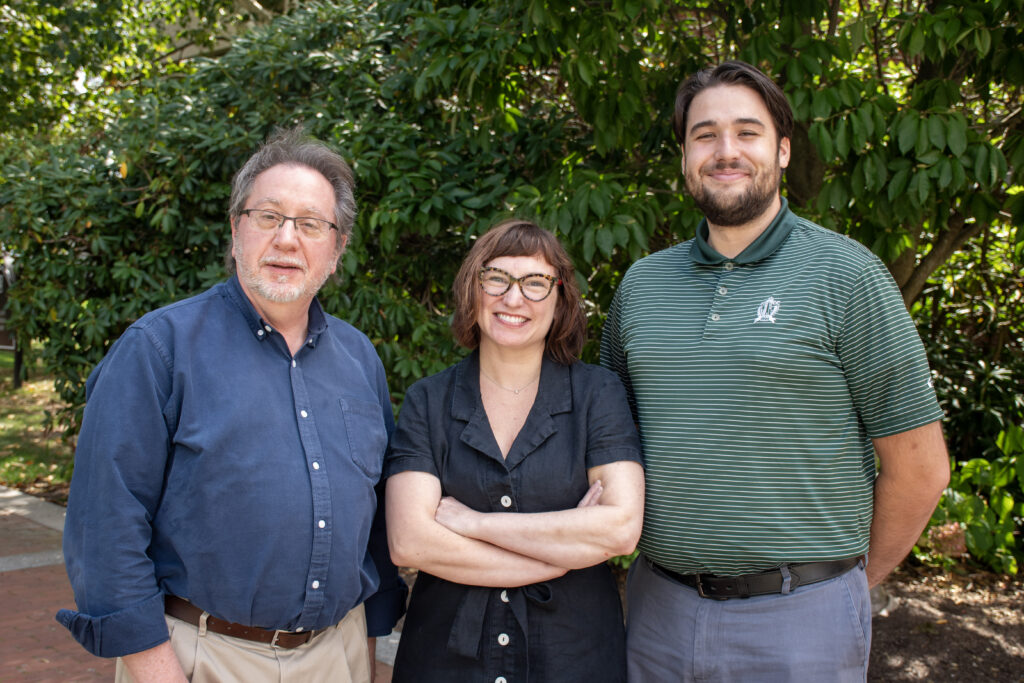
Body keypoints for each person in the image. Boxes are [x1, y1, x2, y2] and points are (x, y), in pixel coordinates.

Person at [600, 60, 950, 682]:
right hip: (656, 612)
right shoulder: (643, 286)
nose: (725, 151)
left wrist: (842, 588)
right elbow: (610, 449)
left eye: (747, 132)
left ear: (783, 150)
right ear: (684, 156)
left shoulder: (848, 276)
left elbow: (920, 466)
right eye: (704, 135)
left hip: (801, 621)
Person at [57, 128, 406, 682]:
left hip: (337, 654)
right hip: (202, 657)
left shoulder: (359, 358)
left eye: (311, 224)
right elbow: (106, 530)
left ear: (336, 250)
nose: (288, 240)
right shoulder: (158, 350)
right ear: (236, 230)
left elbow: (374, 521)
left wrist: (363, 647)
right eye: (268, 217)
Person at [384, 219, 645, 682]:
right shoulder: (428, 400)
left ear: (561, 296)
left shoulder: (596, 394)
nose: (513, 297)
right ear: (473, 288)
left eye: (535, 282)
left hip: (572, 659)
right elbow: (410, 541)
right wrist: (559, 554)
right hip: (446, 663)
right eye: (497, 278)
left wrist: (476, 524)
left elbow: (620, 529)